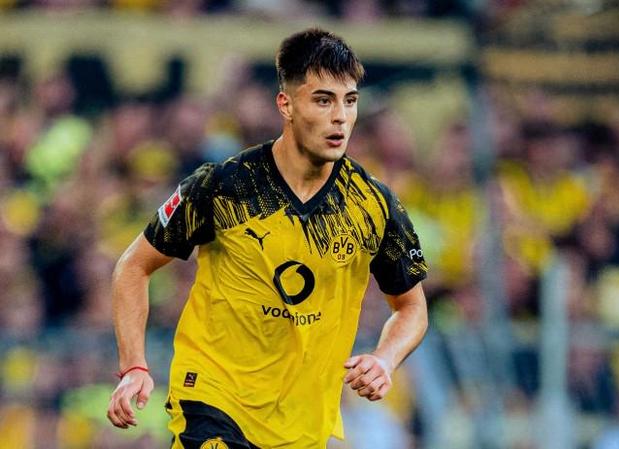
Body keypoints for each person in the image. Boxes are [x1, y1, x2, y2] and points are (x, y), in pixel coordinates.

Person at [106, 28, 428, 449]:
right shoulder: (224, 187)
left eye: (349, 101)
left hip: (302, 425)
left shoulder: (372, 205)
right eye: (323, 100)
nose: (340, 117)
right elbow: (133, 266)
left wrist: (385, 359)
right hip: (213, 399)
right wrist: (134, 366)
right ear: (286, 104)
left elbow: (412, 307)